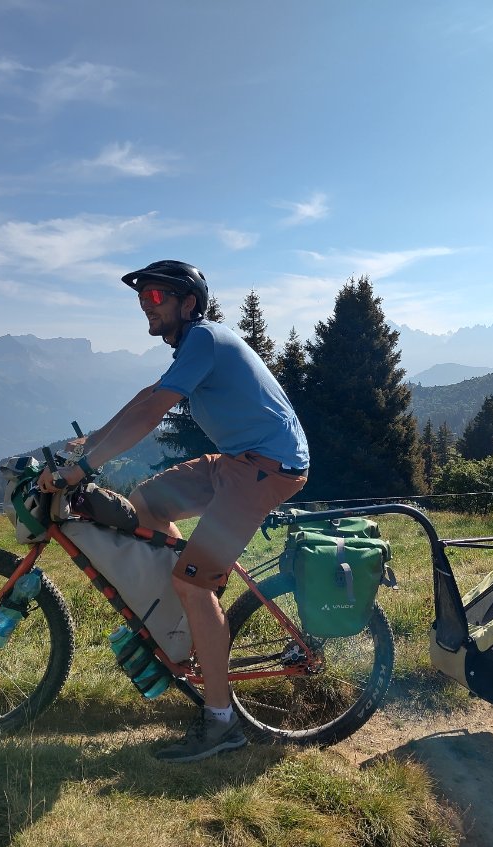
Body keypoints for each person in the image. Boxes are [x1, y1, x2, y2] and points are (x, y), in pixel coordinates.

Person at [38, 259, 308, 762]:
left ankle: (221, 722)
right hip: (238, 461)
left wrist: (85, 468)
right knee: (143, 506)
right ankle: (191, 614)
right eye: (143, 298)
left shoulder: (204, 338)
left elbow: (152, 409)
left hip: (268, 468)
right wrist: (90, 443)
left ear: (189, 303)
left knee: (193, 584)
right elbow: (147, 396)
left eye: (157, 297)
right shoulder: (192, 346)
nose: (148, 304)